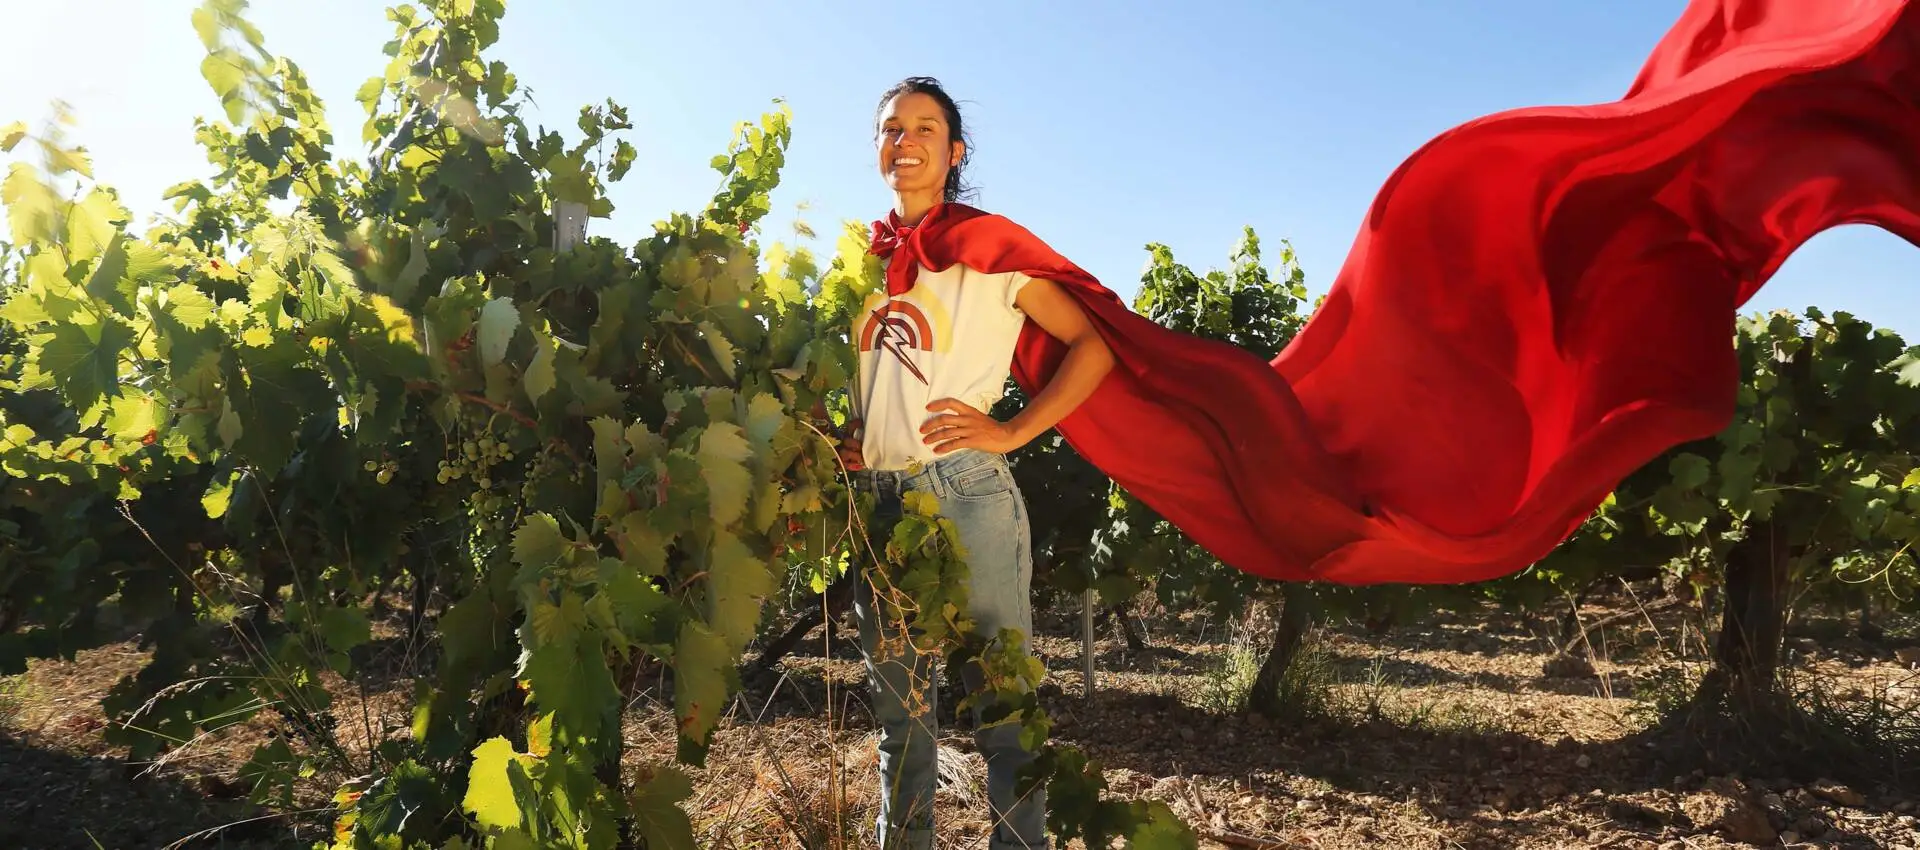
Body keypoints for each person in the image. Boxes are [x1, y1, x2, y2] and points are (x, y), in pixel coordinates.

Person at [836, 76, 1115, 850]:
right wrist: (856, 435)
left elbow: (1093, 348)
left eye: (925, 128)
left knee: (1005, 716)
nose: (905, 140)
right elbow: (873, 384)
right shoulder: (860, 265)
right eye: (891, 128)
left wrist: (1012, 431)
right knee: (899, 725)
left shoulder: (991, 251)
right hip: (878, 505)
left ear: (956, 152)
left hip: (965, 494)